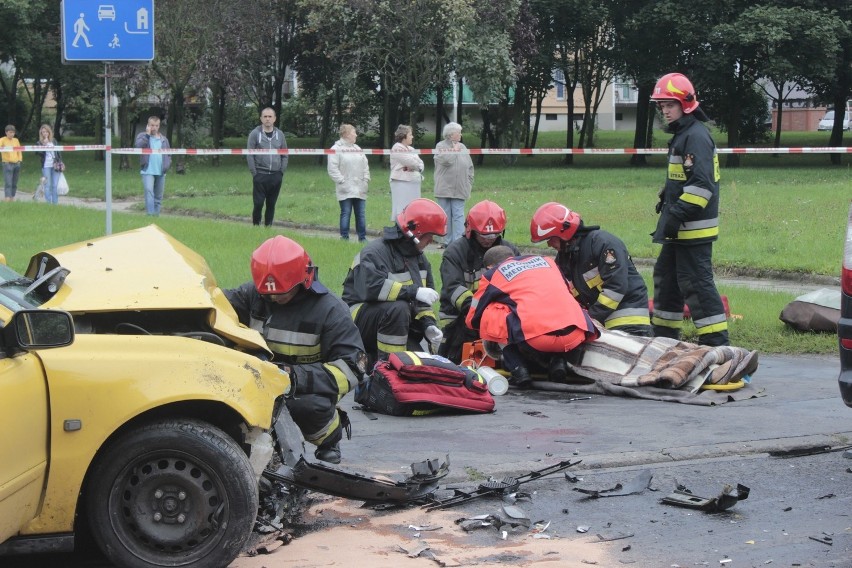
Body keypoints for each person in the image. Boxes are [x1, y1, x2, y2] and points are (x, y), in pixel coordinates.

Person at [225, 236, 368, 464]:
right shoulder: (255, 295)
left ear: (305, 280)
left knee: (308, 405)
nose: (274, 298)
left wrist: (293, 376)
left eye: (282, 292)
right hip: (257, 381)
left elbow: (352, 369)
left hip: (303, 388)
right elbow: (218, 306)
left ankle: (329, 437)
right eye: (269, 294)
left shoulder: (330, 311)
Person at [649, 72, 729, 346]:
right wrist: (668, 197)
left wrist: (678, 213)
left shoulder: (695, 136)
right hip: (680, 229)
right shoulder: (683, 135)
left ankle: (716, 345)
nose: (665, 111)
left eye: (669, 105)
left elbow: (702, 185)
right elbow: (683, 178)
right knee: (667, 279)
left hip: (693, 230)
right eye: (662, 106)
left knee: (697, 284)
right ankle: (663, 340)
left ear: (686, 104)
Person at [466, 246, 599, 389]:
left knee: (493, 311)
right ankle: (558, 362)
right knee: (563, 305)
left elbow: (473, 319)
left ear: (489, 266)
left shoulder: (493, 274)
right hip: (576, 335)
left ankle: (518, 369)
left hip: (537, 339)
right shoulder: (548, 261)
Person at [342, 198, 447, 366]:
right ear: (416, 233)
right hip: (357, 321)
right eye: (430, 236)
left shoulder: (419, 259)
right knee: (398, 308)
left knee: (420, 364)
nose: (431, 241)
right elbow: (371, 288)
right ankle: (389, 368)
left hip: (394, 322)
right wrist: (413, 291)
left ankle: (396, 366)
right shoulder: (374, 253)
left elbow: (423, 303)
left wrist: (428, 325)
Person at [530, 202, 651, 336]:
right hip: (601, 320)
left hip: (628, 317)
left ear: (564, 232)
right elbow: (562, 292)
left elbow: (616, 287)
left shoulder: (603, 243)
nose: (549, 244)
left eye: (550, 239)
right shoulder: (565, 258)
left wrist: (590, 318)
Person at [438, 200, 520, 363]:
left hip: (498, 316)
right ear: (471, 230)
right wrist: (480, 310)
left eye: (494, 234)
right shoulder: (455, 253)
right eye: (484, 235)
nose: (489, 239)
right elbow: (453, 288)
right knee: (456, 360)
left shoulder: (509, 251)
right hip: (460, 318)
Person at [433, 122, 474, 246]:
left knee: (458, 215)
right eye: (458, 132)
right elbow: (446, 161)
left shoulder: (463, 147)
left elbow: (470, 166)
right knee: (446, 216)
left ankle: (458, 242)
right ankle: (447, 241)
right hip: (444, 188)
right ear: (451, 134)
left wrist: (469, 182)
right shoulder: (440, 146)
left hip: (460, 187)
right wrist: (454, 151)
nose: (460, 135)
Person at [327, 124, 370, 242]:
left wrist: (366, 179)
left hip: (360, 187)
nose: (356, 134)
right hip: (345, 187)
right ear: (346, 134)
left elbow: (365, 165)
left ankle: (362, 237)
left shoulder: (357, 148)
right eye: (353, 132)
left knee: (360, 213)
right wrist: (342, 181)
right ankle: (344, 237)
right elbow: (332, 169)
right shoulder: (336, 148)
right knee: (346, 212)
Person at [247, 107, 289, 226]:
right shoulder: (255, 134)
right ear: (261, 118)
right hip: (260, 175)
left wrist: (281, 172)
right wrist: (254, 173)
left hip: (276, 175)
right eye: (265, 116)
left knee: (271, 204)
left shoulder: (280, 135)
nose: (267, 119)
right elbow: (249, 154)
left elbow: (285, 154)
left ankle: (268, 227)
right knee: (259, 203)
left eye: (270, 116)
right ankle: (256, 225)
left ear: (274, 119)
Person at [134, 116, 171, 216]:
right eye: (152, 125)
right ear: (148, 125)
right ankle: (150, 215)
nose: (154, 128)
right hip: (147, 171)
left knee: (158, 197)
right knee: (149, 192)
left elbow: (168, 154)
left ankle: (156, 216)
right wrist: (147, 135)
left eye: (156, 125)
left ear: (159, 126)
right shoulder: (142, 136)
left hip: (161, 171)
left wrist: (167, 165)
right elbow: (138, 146)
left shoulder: (164, 140)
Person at [388, 124, 424, 221]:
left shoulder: (411, 149)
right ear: (404, 136)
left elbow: (420, 163)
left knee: (413, 209)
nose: (412, 137)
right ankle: (400, 230)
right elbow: (410, 162)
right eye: (410, 134)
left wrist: (418, 166)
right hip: (401, 182)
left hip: (413, 183)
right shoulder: (397, 148)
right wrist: (417, 166)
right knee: (402, 208)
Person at [36, 124, 62, 205]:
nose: (45, 133)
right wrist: (44, 146)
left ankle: (55, 203)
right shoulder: (39, 142)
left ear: (49, 132)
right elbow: (38, 153)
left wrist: (60, 162)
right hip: (46, 166)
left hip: (55, 165)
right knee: (48, 185)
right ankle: (48, 203)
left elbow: (58, 152)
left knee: (54, 185)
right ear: (41, 133)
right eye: (43, 132)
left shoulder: (54, 141)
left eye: (46, 131)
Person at [1, 125, 21, 202]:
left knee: (14, 182)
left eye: (13, 132)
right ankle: (7, 197)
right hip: (7, 163)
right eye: (10, 132)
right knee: (8, 182)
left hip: (16, 163)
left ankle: (12, 196)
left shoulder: (16, 140)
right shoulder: (2, 140)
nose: (12, 134)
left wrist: (19, 160)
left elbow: (19, 151)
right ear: (6, 132)